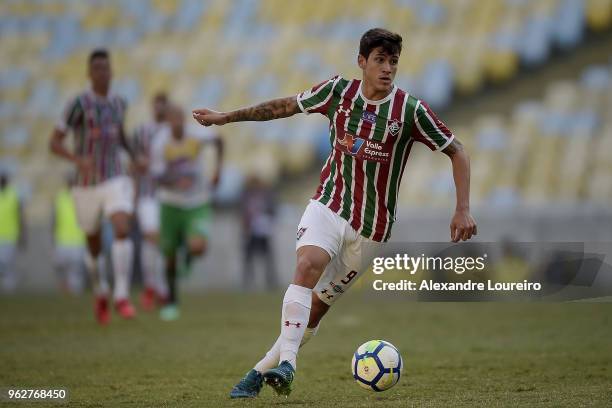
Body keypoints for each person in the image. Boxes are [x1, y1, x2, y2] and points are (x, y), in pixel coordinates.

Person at [193, 28, 477, 398]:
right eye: (379, 60)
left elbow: (457, 151)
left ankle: (260, 371)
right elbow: (283, 107)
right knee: (307, 264)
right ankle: (290, 366)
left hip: (372, 229)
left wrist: (462, 209)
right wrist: (226, 117)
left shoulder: (409, 110)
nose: (387, 68)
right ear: (362, 62)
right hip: (329, 204)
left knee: (313, 311)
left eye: (393, 61)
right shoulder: (337, 92)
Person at [49, 48, 144, 324]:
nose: (102, 72)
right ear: (89, 73)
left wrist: (136, 158)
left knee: (122, 227)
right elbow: (54, 142)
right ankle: (101, 289)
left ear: (111, 72)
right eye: (97, 68)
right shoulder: (78, 104)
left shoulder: (118, 103)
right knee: (93, 245)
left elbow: (121, 135)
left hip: (115, 175)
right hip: (86, 184)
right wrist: (77, 159)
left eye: (106, 67)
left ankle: (122, 295)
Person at [151, 104, 223, 321]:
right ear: (168, 123)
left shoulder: (197, 135)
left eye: (180, 119)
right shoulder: (160, 143)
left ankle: (189, 256)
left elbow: (219, 142)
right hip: (170, 202)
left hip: (196, 201)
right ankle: (172, 301)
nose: (178, 124)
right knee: (169, 256)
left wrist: (217, 171)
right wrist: (175, 180)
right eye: (173, 120)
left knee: (199, 247)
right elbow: (156, 176)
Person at [132, 92, 170, 310]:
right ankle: (151, 287)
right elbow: (133, 164)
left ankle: (161, 289)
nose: (160, 110)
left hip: (167, 195)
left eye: (163, 106)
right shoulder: (142, 132)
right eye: (157, 105)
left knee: (163, 244)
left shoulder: (171, 133)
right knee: (151, 238)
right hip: (147, 195)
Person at [241, 175, 278, 290]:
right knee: (248, 258)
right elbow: (242, 213)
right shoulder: (245, 196)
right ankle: (248, 282)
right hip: (251, 231)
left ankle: (270, 281)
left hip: (263, 231)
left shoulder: (266, 196)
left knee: (268, 258)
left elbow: (273, 210)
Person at [52, 172, 86, 294]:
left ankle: (76, 293)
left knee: (76, 270)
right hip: (62, 239)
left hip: (78, 239)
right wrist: (54, 236)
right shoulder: (60, 197)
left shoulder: (83, 195)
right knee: (60, 267)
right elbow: (55, 218)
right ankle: (63, 290)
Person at [0, 169, 26, 293]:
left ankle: (9, 293)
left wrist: (22, 234)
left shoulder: (14, 195)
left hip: (10, 237)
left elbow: (21, 216)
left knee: (9, 267)